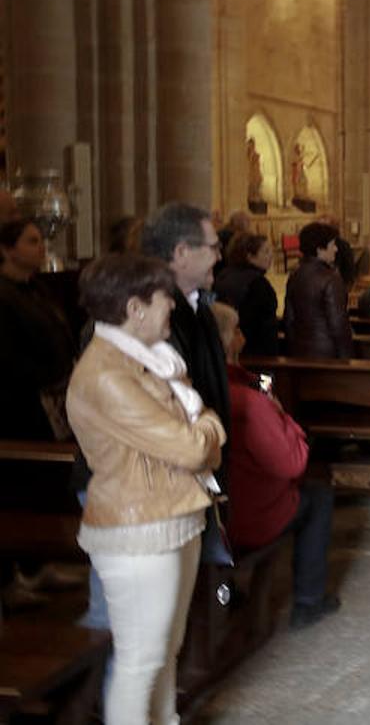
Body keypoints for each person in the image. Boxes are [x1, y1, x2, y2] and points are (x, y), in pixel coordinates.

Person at [66, 253, 226, 725]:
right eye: (164, 301)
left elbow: (196, 428)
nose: (171, 309)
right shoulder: (107, 375)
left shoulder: (151, 360)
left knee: (166, 651)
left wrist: (203, 428)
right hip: (138, 526)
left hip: (175, 512)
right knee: (141, 659)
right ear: (135, 308)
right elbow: (192, 445)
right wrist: (209, 429)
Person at [210, 303, 339, 629]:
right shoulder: (250, 402)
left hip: (215, 513)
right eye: (237, 330)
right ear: (226, 341)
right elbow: (292, 463)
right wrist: (280, 414)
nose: (243, 336)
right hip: (250, 513)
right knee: (319, 497)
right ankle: (308, 602)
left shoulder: (206, 389)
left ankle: (233, 590)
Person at [140, 202, 231, 458]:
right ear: (181, 253)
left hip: (202, 458)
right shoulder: (148, 317)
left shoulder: (198, 304)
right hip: (168, 471)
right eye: (213, 247)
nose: (220, 256)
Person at [0, 218, 76, 439]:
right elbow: (8, 356)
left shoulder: (37, 288)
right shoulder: (5, 295)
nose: (42, 247)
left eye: (42, 240)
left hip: (55, 394)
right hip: (24, 404)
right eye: (32, 241)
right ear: (7, 250)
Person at [284, 221, 354, 359]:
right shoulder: (330, 278)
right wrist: (347, 357)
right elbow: (338, 324)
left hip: (300, 352)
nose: (336, 249)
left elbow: (289, 319)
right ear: (319, 249)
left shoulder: (295, 275)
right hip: (327, 353)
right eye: (332, 244)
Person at [215, 232, 280, 357]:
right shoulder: (258, 284)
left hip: (229, 349)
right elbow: (262, 324)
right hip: (257, 354)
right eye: (266, 251)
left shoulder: (223, 275)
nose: (271, 255)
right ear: (250, 256)